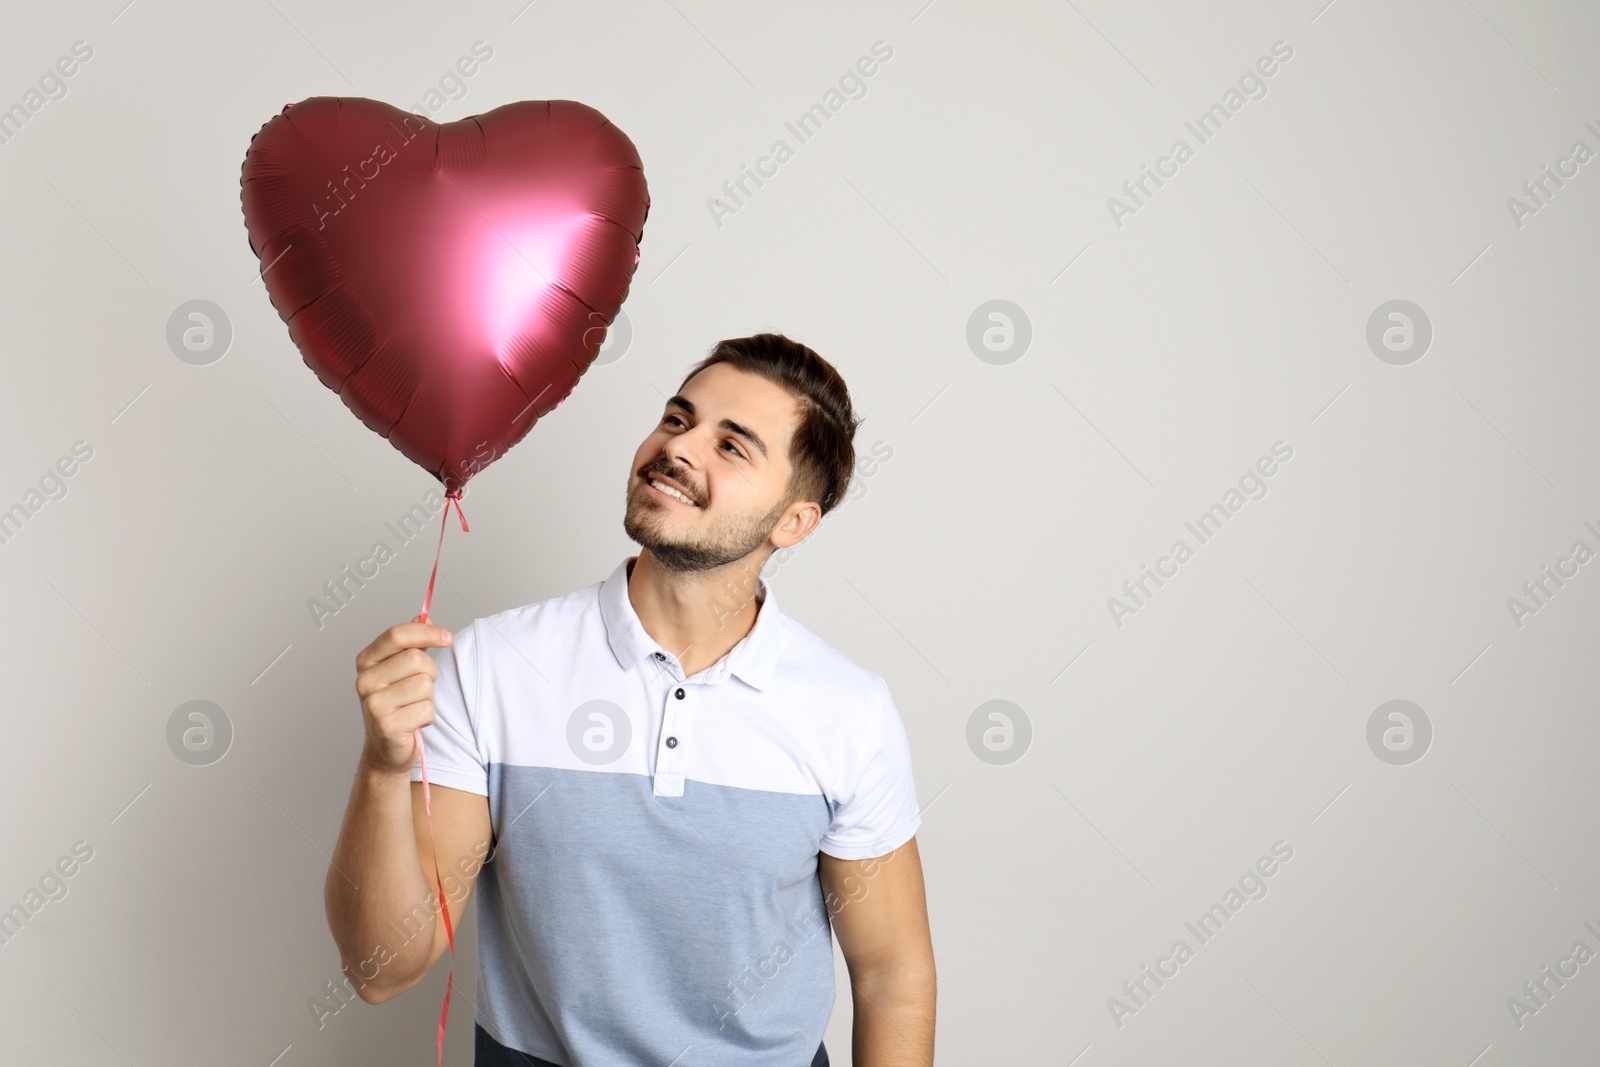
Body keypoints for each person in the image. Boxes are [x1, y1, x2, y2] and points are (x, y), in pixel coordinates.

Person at [325, 333, 935, 1066]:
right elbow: (383, 968)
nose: (680, 448)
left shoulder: (849, 711)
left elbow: (892, 976)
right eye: (678, 419)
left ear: (793, 521)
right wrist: (383, 767)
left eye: (732, 446)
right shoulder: (494, 664)